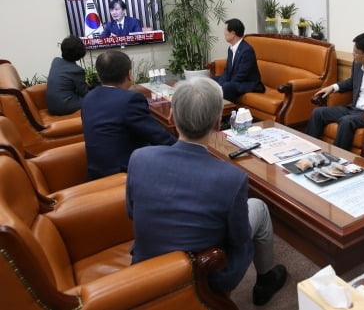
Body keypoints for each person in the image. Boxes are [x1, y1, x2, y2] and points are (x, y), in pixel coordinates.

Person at [126, 77, 287, 306]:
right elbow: (239, 239)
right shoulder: (232, 178)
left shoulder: (139, 158)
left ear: (172, 116)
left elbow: (132, 212)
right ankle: (265, 281)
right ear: (217, 124)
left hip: (147, 269)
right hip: (205, 278)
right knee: (258, 207)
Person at [81, 50, 176, 180]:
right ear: (129, 75)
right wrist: (188, 150)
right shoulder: (130, 100)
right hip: (124, 173)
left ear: (99, 75)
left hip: (97, 173)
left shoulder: (88, 98)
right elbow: (159, 137)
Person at [213, 18, 265, 102]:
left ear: (233, 34)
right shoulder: (231, 48)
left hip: (249, 83)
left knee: (227, 87)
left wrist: (224, 85)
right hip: (236, 80)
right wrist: (220, 83)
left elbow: (241, 75)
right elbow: (227, 70)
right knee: (212, 81)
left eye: (226, 30)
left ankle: (228, 113)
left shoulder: (247, 50)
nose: (224, 33)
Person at [46, 35, 89, 115]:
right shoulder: (77, 70)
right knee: (95, 100)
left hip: (51, 107)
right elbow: (85, 93)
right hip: (65, 106)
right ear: (80, 53)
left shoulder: (56, 61)